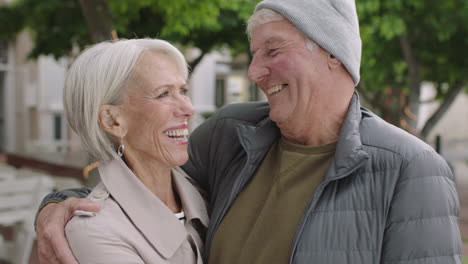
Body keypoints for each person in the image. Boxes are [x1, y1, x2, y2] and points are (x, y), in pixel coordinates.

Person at [35, 0, 462, 263]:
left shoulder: (410, 168)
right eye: (254, 54)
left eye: (273, 51)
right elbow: (142, 183)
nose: (257, 71)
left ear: (334, 55)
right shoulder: (231, 133)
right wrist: (59, 204)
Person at [47, 38, 208, 264]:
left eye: (183, 90)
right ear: (113, 120)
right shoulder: (96, 232)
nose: (188, 108)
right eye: (164, 94)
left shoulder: (207, 192)